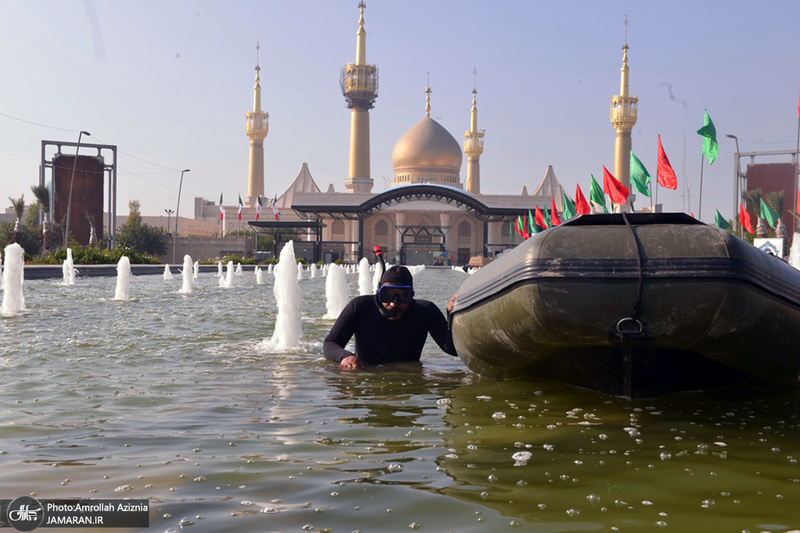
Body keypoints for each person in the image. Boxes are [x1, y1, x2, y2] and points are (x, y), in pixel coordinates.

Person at [323, 265, 458, 370]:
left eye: (403, 296)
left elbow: (452, 350)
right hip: (367, 379)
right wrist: (345, 356)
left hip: (407, 382)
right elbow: (330, 343)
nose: (394, 303)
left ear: (412, 296)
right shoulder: (360, 306)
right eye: (387, 296)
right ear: (379, 293)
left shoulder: (425, 311)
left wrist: (452, 315)